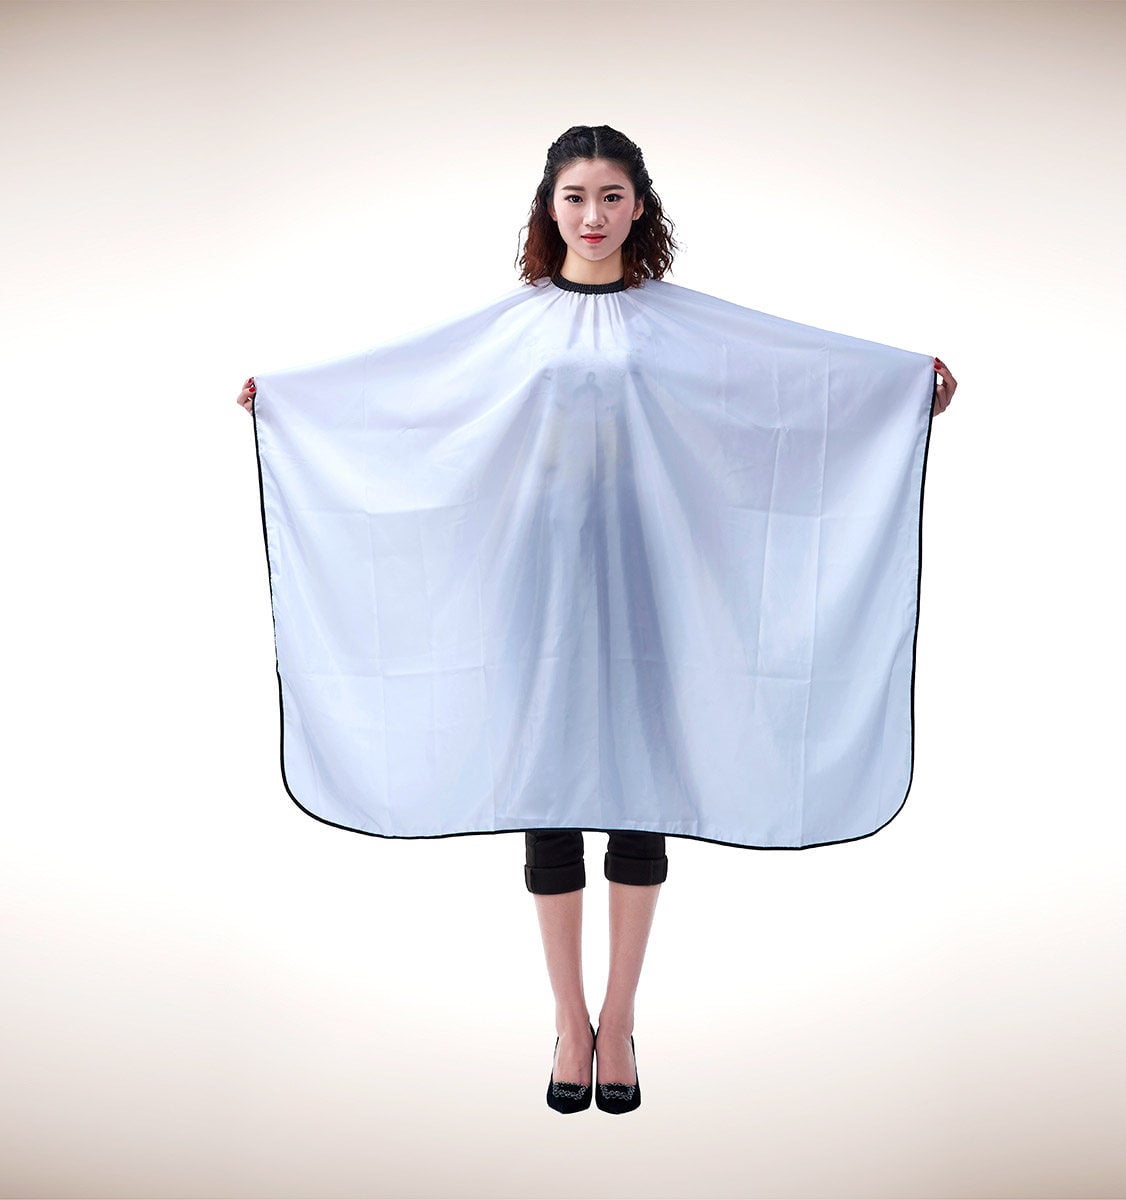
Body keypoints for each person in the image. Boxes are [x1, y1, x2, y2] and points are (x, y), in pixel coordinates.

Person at [237, 124, 957, 1115]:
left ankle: (619, 1020)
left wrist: (903, 390)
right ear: (550, 208)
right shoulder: (515, 326)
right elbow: (412, 396)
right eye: (575, 196)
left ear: (639, 208)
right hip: (534, 578)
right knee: (548, 785)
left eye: (612, 196)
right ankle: (567, 1021)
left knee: (640, 783)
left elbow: (784, 390)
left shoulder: (676, 326)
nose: (593, 215)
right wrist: (290, 404)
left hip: (652, 575)